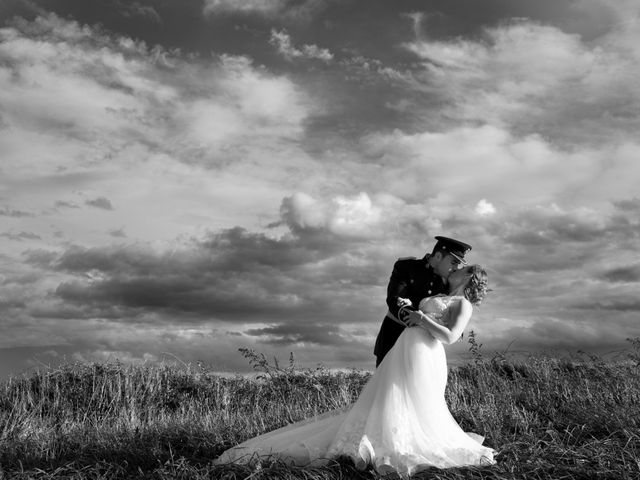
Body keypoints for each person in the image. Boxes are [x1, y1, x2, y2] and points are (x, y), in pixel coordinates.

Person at [214, 264, 495, 475]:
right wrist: (412, 314)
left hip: (425, 354)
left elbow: (449, 336)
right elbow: (425, 321)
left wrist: (422, 319)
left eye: (463, 268)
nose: (456, 268)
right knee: (390, 397)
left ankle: (402, 445)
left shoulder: (463, 304)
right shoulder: (442, 294)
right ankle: (383, 438)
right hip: (406, 349)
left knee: (415, 401)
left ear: (470, 277)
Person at [374, 236, 472, 367]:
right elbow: (394, 300)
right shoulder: (407, 267)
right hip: (393, 339)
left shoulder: (448, 282)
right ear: (438, 256)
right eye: (453, 262)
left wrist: (450, 326)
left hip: (423, 347)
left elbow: (450, 311)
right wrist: (416, 317)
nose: (455, 268)